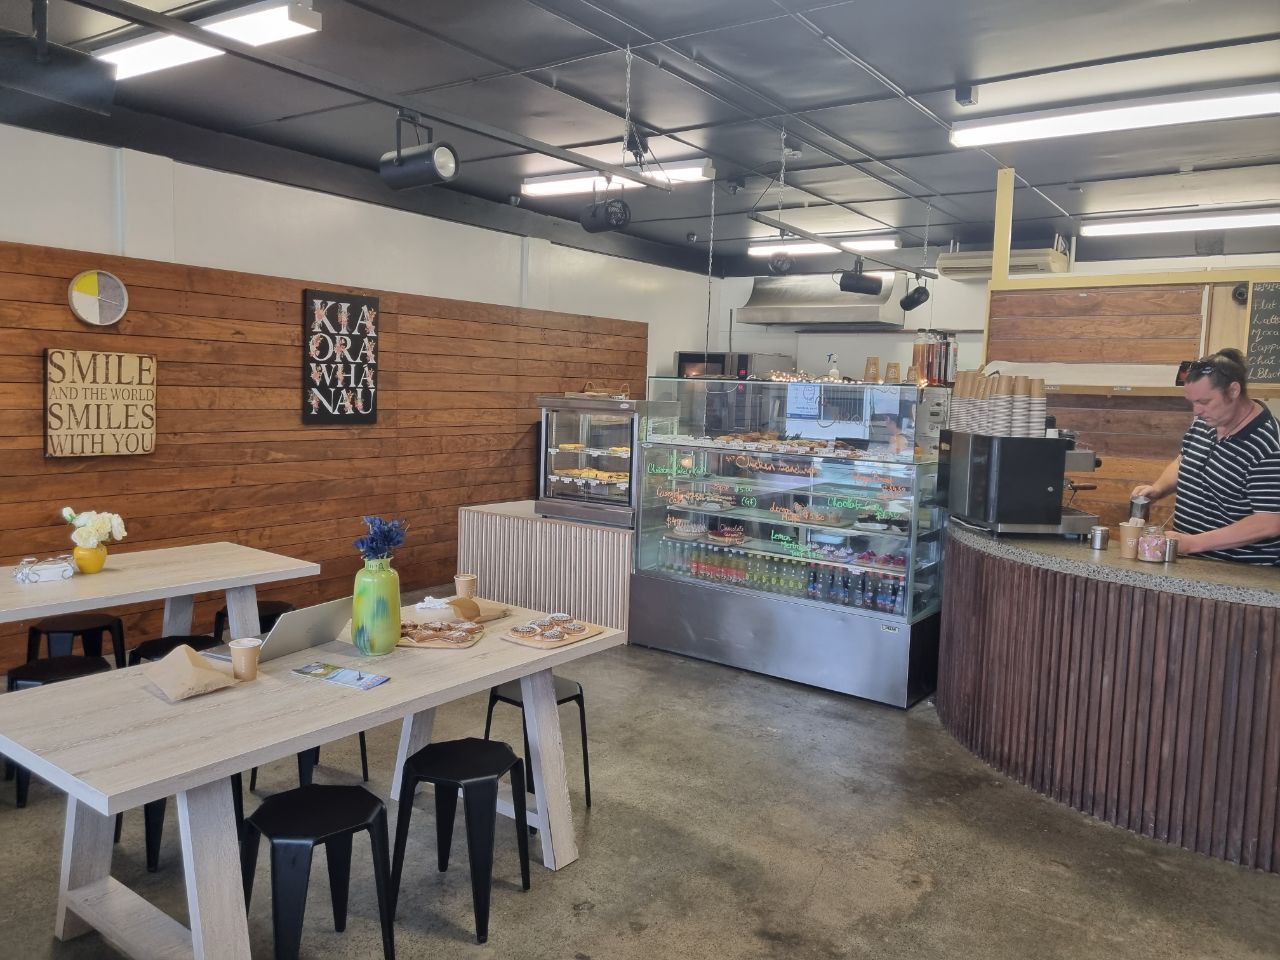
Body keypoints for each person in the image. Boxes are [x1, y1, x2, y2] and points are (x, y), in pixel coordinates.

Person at [1131, 348, 1280, 564]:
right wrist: (1158, 488)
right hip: (1191, 559)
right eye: (1192, 402)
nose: (1196, 411)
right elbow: (1186, 459)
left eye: (1204, 402)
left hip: (1238, 570)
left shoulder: (1268, 446)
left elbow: (1270, 521)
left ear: (1234, 390)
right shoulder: (1207, 421)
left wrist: (1193, 543)